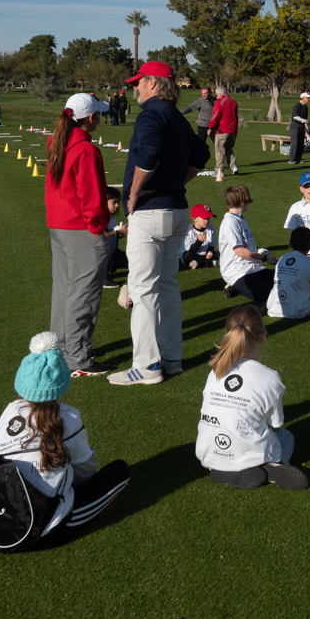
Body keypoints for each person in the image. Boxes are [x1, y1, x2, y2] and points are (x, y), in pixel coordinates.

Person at [110, 63, 209, 387]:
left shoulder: (151, 115)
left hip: (151, 213)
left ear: (153, 82)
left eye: (139, 83)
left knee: (142, 290)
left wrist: (134, 192)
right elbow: (201, 154)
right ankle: (171, 358)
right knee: (166, 286)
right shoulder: (178, 118)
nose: (135, 88)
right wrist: (176, 183)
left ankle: (147, 365)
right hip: (176, 211)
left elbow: (149, 153)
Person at [0, 333, 129, 544]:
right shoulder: (69, 416)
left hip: (1, 520)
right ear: (62, 382)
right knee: (119, 473)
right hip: (45, 530)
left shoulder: (9, 411)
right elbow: (86, 470)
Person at [196, 305, 309, 490]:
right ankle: (275, 467)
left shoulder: (215, 370)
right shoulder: (270, 378)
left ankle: (222, 469)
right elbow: (276, 423)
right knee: (286, 435)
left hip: (208, 452)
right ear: (262, 336)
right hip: (247, 449)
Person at [43, 92, 113, 379]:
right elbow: (92, 196)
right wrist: (100, 228)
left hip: (59, 225)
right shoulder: (85, 149)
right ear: (91, 117)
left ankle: (61, 349)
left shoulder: (59, 140)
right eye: (99, 114)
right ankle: (78, 357)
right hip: (80, 228)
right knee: (82, 294)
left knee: (64, 288)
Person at [219, 185, 274, 302]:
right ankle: (234, 285)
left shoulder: (240, 219)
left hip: (253, 267)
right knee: (269, 297)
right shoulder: (230, 222)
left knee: (281, 286)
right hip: (236, 270)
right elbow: (239, 251)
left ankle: (234, 287)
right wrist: (265, 257)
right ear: (243, 201)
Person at [207, 86, 239, 182]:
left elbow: (215, 116)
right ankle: (234, 167)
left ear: (220, 94)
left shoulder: (220, 102)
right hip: (233, 130)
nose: (216, 97)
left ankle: (219, 171)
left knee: (219, 151)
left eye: (216, 95)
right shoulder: (233, 101)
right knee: (228, 148)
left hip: (222, 130)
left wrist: (210, 127)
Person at [181, 203, 219, 271]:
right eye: (204, 218)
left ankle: (198, 263)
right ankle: (211, 263)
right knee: (187, 256)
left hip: (204, 255)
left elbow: (211, 245)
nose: (207, 221)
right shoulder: (189, 230)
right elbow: (191, 251)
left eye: (208, 218)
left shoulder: (211, 228)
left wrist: (210, 252)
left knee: (222, 252)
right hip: (192, 254)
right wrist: (199, 242)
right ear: (195, 218)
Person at [103, 186, 127, 287]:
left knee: (132, 260)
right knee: (112, 240)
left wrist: (121, 233)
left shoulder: (111, 218)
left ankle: (111, 263)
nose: (117, 205)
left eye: (118, 202)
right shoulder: (100, 216)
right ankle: (103, 277)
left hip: (105, 251)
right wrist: (117, 233)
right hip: (93, 252)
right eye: (114, 202)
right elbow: (101, 235)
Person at [287, 92, 310, 165]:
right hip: (295, 126)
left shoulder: (305, 107)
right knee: (295, 143)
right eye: (308, 98)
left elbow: (306, 116)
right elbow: (295, 116)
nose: (309, 99)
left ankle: (298, 159)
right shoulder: (297, 106)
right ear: (303, 98)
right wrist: (305, 120)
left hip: (302, 126)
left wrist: (307, 121)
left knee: (301, 143)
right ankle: (292, 159)